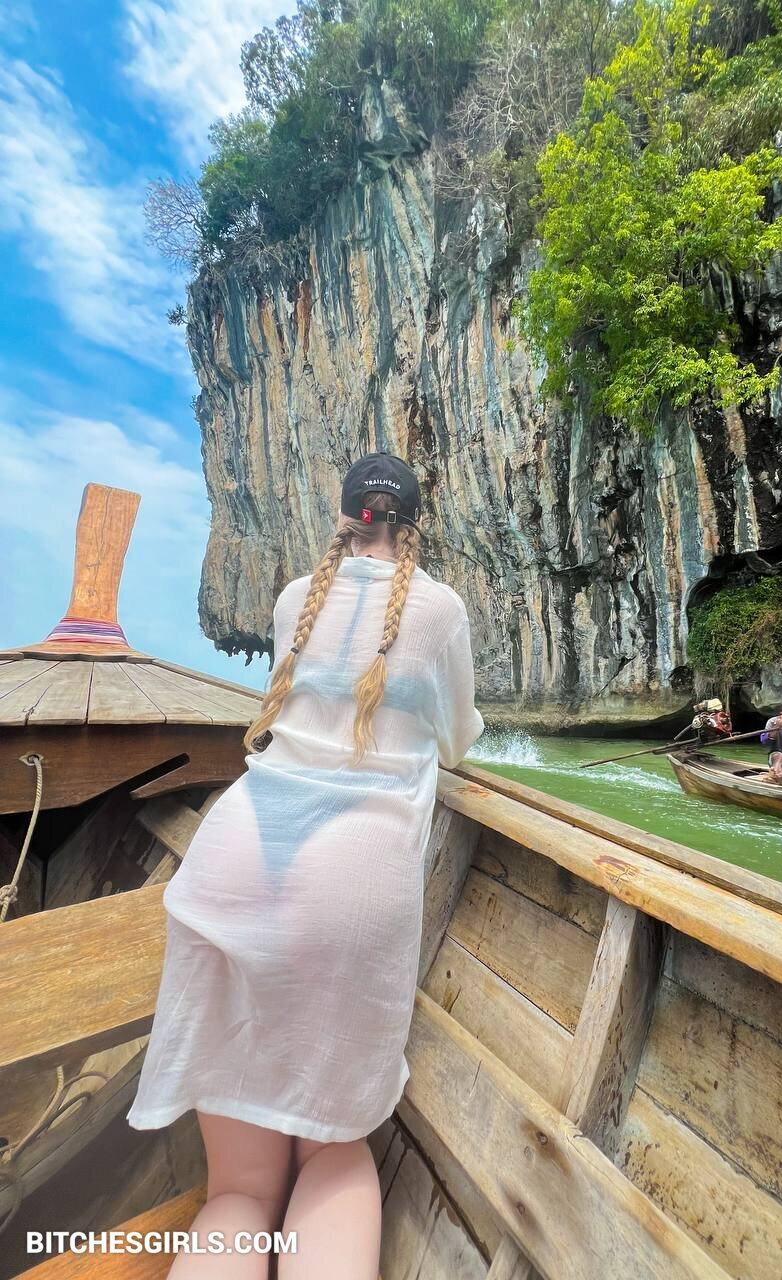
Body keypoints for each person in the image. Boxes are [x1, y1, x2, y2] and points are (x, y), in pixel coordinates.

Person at [126, 452, 485, 1279]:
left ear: (346, 515)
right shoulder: (439, 610)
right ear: (414, 521)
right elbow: (458, 739)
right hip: (351, 881)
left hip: (233, 860)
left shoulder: (297, 596)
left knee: (237, 1192)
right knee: (332, 1151)